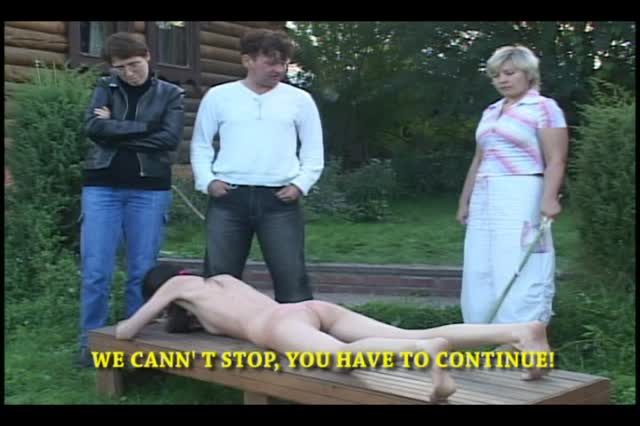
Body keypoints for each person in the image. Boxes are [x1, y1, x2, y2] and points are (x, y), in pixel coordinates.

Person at [115, 264, 552, 402]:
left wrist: (142, 318)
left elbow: (127, 331)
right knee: (412, 328)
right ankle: (519, 331)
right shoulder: (222, 279)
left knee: (342, 359)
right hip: (306, 308)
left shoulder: (176, 287)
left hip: (275, 327)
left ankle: (425, 350)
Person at [190, 29, 324, 303]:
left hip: (279, 199)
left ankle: (299, 328)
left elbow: (313, 150)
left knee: (291, 276)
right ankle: (216, 329)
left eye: (283, 63)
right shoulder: (219, 96)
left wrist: (300, 184)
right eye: (271, 62)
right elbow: (201, 144)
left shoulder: (299, 100)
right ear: (247, 61)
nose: (279, 70)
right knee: (219, 279)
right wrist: (208, 181)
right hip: (229, 198)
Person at [77, 32, 185, 367]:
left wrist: (116, 128)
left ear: (148, 56)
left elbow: (169, 139)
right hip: (102, 187)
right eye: (120, 67)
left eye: (134, 64)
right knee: (96, 271)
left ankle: (134, 346)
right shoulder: (105, 87)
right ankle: (91, 346)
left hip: (149, 190)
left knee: (142, 271)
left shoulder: (171, 93)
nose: (128, 73)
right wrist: (145, 127)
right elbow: (93, 128)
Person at [456, 45, 569, 325]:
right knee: (480, 262)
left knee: (517, 260)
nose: (502, 80)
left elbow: (556, 158)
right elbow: (479, 158)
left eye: (509, 73)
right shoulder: (491, 111)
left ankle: (522, 332)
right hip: (485, 193)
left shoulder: (544, 108)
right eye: (496, 75)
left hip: (521, 190)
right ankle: (482, 330)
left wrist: (549, 198)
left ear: (528, 74)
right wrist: (465, 200)